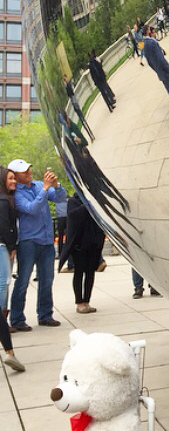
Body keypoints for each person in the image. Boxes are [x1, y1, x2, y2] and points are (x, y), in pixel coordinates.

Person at [8, 159, 67, 331]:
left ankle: (45, 315)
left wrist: (56, 185)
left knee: (47, 280)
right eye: (24, 171)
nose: (28, 173)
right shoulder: (16, 194)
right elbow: (31, 208)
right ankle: (17, 319)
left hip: (47, 240)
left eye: (28, 169)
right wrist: (46, 188)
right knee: (23, 280)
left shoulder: (39, 185)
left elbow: (61, 199)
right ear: (15, 176)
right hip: (28, 241)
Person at [60, 193, 104, 314]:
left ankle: (87, 301)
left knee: (90, 273)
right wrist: (87, 205)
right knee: (79, 272)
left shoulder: (94, 200)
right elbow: (73, 216)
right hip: (79, 246)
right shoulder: (73, 201)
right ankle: (79, 302)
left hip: (93, 244)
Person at [0, 168, 24, 371]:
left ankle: (10, 352)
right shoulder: (3, 201)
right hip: (1, 247)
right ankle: (9, 352)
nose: (13, 181)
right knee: (3, 285)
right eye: (10, 178)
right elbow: (6, 225)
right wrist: (11, 246)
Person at [64, 77, 94, 142]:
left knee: (83, 121)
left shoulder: (68, 87)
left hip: (76, 106)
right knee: (83, 121)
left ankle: (91, 134)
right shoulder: (69, 86)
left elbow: (70, 94)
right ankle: (90, 134)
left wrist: (67, 86)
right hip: (76, 106)